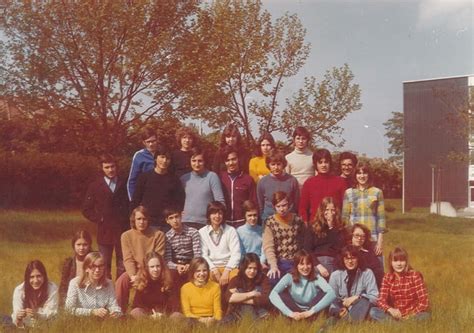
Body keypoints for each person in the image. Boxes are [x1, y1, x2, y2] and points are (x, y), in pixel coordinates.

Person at [82, 153, 129, 279]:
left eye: (112, 166)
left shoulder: (125, 183)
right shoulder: (95, 186)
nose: (110, 170)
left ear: (116, 167)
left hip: (122, 230)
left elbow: (131, 204)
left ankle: (120, 295)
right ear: (102, 168)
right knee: (103, 265)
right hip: (105, 231)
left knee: (123, 264)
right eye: (107, 167)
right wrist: (100, 218)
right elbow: (86, 209)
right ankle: (105, 293)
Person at [115, 206, 166, 312]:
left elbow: (158, 257)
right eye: (139, 219)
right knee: (122, 281)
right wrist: (133, 276)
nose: (142, 222)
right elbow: (128, 259)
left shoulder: (158, 235)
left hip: (153, 270)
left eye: (144, 219)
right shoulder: (126, 236)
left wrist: (144, 273)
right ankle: (119, 311)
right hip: (135, 271)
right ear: (134, 220)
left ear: (148, 220)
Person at [269, 250, 335, 320]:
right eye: (301, 264)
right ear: (296, 265)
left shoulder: (316, 276)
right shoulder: (289, 276)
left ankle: (310, 319)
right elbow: (272, 294)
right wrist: (290, 313)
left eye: (308, 264)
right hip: (295, 310)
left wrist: (311, 312)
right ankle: (295, 319)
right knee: (281, 294)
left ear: (312, 265)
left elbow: (332, 293)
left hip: (312, 309)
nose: (305, 267)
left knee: (324, 293)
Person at [131, 145, 185, 230]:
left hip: (167, 223)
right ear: (156, 158)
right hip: (149, 223)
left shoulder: (174, 179)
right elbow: (136, 200)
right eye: (162, 157)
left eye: (167, 158)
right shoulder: (144, 177)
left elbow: (180, 201)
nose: (164, 161)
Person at [370, 247, 430, 322]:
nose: (399, 264)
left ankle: (399, 325)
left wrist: (411, 315)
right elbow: (381, 300)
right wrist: (390, 309)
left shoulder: (415, 275)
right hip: (395, 314)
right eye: (395, 261)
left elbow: (424, 301)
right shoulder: (387, 277)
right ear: (391, 263)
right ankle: (398, 325)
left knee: (425, 316)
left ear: (406, 262)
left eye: (402, 260)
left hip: (413, 314)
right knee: (373, 311)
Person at [342, 163, 386, 258]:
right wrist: (349, 238)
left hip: (372, 237)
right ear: (355, 175)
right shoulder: (348, 192)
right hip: (355, 239)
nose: (362, 176)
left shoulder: (377, 192)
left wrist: (380, 241)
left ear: (369, 175)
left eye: (364, 173)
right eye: (359, 173)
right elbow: (345, 218)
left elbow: (381, 218)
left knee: (376, 268)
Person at [263, 191, 305, 285]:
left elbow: (303, 243)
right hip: (279, 261)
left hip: (295, 261)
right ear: (274, 207)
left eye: (284, 205)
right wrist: (273, 265)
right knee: (273, 278)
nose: (282, 209)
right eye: (278, 206)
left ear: (289, 205)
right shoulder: (270, 222)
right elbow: (268, 246)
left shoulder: (298, 220)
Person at [327, 245, 379, 323]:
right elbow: (331, 299)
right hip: (342, 310)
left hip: (361, 308)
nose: (350, 261)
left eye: (353, 258)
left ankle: (349, 324)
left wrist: (358, 297)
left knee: (366, 305)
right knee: (330, 321)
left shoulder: (367, 273)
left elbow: (375, 297)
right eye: (347, 258)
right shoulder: (335, 275)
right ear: (343, 260)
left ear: (358, 259)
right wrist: (338, 311)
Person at [180, 147, 226, 229]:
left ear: (204, 161)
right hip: (186, 222)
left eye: (200, 161)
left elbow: (220, 202)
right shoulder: (184, 178)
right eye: (194, 161)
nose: (197, 164)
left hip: (206, 223)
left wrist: (216, 220)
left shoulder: (212, 177)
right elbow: (178, 200)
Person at [65, 252, 121, 317]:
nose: (97, 270)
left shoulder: (109, 283)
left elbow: (113, 305)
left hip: (102, 323)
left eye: (100, 266)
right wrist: (92, 312)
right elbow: (68, 310)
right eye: (93, 266)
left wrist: (116, 312)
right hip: (79, 321)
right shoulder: (75, 283)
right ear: (86, 268)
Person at [299, 149, 347, 225]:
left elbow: (345, 207)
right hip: (315, 225)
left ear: (330, 163)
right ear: (315, 164)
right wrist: (305, 223)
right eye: (320, 162)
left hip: (335, 225)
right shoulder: (309, 183)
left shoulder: (340, 182)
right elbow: (303, 208)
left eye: (326, 162)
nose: (323, 165)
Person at [199, 201, 241, 287]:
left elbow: (236, 254)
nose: (217, 216)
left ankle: (231, 298)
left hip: (229, 267)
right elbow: (203, 255)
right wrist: (214, 269)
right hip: (211, 268)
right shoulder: (202, 232)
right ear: (209, 215)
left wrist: (227, 271)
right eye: (214, 213)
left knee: (236, 277)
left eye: (220, 213)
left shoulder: (231, 230)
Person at [221, 253, 271, 324]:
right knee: (221, 324)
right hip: (237, 312)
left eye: (255, 268)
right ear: (244, 267)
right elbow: (229, 298)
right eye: (249, 268)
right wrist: (252, 294)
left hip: (258, 311)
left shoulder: (263, 279)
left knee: (243, 296)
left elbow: (266, 299)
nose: (252, 271)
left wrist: (240, 297)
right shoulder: (236, 279)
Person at [304, 197, 347, 278]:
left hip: (334, 261)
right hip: (316, 261)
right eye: (326, 209)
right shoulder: (312, 226)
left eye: (332, 210)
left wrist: (331, 227)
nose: (329, 212)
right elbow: (307, 249)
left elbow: (341, 248)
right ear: (322, 210)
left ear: (336, 211)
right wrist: (318, 266)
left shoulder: (341, 228)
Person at [130, 252, 181, 319]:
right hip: (148, 315)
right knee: (135, 312)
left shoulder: (169, 280)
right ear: (147, 268)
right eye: (152, 267)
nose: (155, 269)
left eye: (158, 266)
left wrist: (163, 314)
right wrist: (152, 315)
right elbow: (137, 305)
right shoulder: (142, 281)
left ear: (162, 266)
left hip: (166, 315)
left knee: (177, 316)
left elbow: (175, 305)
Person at [11, 260, 58, 328]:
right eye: (31, 277)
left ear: (44, 276)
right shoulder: (19, 290)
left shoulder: (52, 288)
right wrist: (19, 316)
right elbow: (16, 313)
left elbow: (51, 313)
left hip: (46, 326)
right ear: (27, 278)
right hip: (24, 326)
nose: (35, 281)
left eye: (39, 276)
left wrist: (37, 315)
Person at [219, 146, 257, 227]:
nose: (231, 163)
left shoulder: (248, 179)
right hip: (224, 224)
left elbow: (253, 202)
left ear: (238, 159)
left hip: (243, 223)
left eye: (233, 159)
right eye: (227, 160)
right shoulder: (220, 178)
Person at [163, 207, 201, 289]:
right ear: (167, 221)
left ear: (181, 216)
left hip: (192, 263)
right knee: (171, 279)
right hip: (176, 264)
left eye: (177, 216)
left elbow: (197, 254)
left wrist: (190, 265)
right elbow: (168, 260)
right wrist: (177, 266)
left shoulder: (193, 232)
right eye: (171, 218)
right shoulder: (167, 237)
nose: (175, 220)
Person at [257, 151, 300, 221]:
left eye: (278, 164)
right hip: (269, 219)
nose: (276, 167)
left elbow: (296, 202)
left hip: (288, 219)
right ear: (268, 165)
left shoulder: (292, 180)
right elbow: (260, 203)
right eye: (273, 164)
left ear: (283, 164)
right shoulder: (262, 182)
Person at [180, 257, 222, 325]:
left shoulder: (215, 287)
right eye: (198, 271)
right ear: (192, 272)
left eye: (204, 270)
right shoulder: (185, 288)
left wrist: (214, 320)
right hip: (193, 320)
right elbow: (187, 312)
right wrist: (201, 320)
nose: (202, 274)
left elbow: (218, 310)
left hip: (210, 319)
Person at [59, 230, 93, 305]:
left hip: (92, 297)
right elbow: (63, 287)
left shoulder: (95, 261)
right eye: (78, 244)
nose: (81, 248)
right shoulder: (69, 263)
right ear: (73, 245)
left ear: (89, 245)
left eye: (85, 244)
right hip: (73, 298)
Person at [127, 126, 158, 200]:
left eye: (153, 141)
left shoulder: (163, 153)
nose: (151, 144)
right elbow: (132, 181)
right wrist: (133, 202)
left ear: (157, 140)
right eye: (148, 142)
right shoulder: (139, 155)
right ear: (144, 142)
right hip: (145, 196)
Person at [237, 200, 265, 265]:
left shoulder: (263, 230)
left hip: (260, 263)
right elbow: (239, 252)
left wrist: (260, 263)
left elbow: (264, 251)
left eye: (255, 215)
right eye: (249, 215)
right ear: (245, 216)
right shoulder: (239, 231)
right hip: (245, 264)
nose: (253, 218)